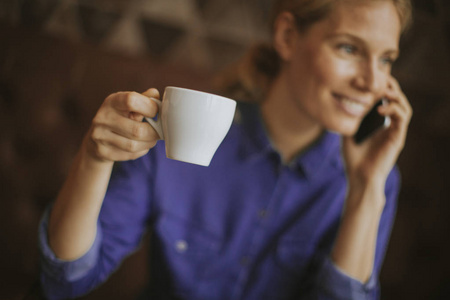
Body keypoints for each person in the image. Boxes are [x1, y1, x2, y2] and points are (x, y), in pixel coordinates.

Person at [38, 0, 413, 299]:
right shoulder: (176, 134)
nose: (372, 81)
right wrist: (94, 156)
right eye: (349, 48)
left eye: (386, 60)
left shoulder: (374, 178)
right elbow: (66, 281)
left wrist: (367, 189)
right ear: (287, 36)